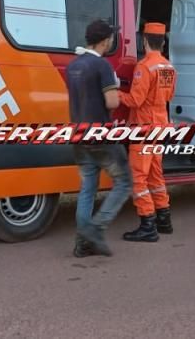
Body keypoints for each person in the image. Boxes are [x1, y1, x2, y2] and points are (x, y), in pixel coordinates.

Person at [66, 19, 133, 258]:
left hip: (79, 135)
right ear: (105, 40)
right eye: (111, 37)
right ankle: (96, 229)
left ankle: (82, 244)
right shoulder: (101, 66)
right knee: (125, 182)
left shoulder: (73, 66)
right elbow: (112, 102)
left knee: (87, 190)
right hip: (101, 136)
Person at [119, 22, 177, 242]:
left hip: (144, 127)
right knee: (155, 175)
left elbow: (135, 100)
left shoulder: (144, 67)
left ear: (144, 41)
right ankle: (164, 220)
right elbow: (169, 96)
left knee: (138, 177)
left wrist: (117, 93)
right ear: (162, 42)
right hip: (160, 125)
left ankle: (147, 225)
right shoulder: (168, 66)